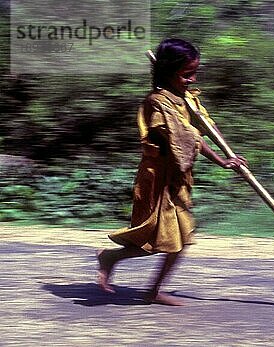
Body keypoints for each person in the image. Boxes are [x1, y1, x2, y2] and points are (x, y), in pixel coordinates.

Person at [96, 38, 247, 306]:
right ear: (169, 71)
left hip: (178, 179)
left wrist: (230, 153)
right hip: (159, 179)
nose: (192, 79)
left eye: (194, 73)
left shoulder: (187, 99)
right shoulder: (157, 103)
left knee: (179, 238)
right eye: (187, 74)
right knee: (162, 238)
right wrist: (221, 162)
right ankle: (116, 261)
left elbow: (207, 127)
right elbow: (188, 140)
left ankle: (145, 284)